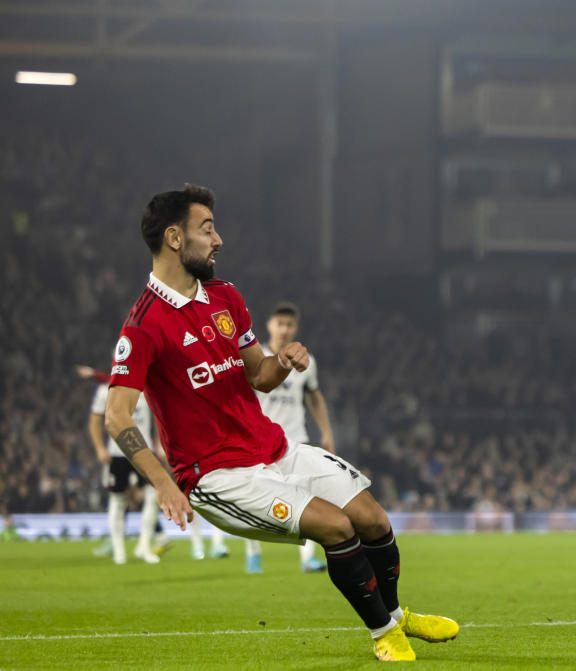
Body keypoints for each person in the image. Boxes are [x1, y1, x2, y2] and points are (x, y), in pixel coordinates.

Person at [103, 184, 456, 661]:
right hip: (218, 476)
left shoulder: (226, 297)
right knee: (336, 527)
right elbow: (116, 414)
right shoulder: (144, 325)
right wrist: (163, 483)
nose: (219, 239)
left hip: (276, 448)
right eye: (207, 229)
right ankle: (383, 634)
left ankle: (395, 616)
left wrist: (284, 360)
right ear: (174, 238)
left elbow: (260, 377)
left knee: (372, 518)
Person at [243, 301, 335, 574]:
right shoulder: (254, 356)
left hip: (295, 439)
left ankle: (307, 558)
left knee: (307, 497)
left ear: (295, 328)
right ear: (270, 325)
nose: (284, 329)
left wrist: (326, 432)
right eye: (279, 324)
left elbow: (314, 397)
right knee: (252, 501)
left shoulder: (307, 361)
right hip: (257, 441)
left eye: (289, 325)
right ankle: (253, 556)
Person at [89, 381, 161, 564]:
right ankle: (119, 551)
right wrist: (99, 448)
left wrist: (160, 445)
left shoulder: (147, 389)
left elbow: (159, 417)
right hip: (117, 452)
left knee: (153, 496)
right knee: (117, 500)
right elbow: (94, 422)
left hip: (144, 450)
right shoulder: (104, 390)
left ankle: (143, 546)